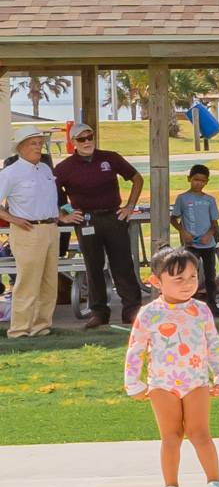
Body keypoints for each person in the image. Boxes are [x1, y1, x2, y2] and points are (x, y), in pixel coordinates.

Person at [124, 245, 219, 487]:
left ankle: (214, 481)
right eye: (178, 278)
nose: (187, 284)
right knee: (170, 437)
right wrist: (133, 383)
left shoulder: (202, 310)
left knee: (200, 433)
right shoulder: (149, 313)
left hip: (196, 382)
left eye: (192, 277)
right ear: (156, 282)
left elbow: (214, 344)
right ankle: (170, 485)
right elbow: (135, 348)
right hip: (162, 385)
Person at [52, 119, 145, 331]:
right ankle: (99, 313)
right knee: (93, 267)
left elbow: (137, 178)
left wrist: (130, 206)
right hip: (86, 220)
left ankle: (131, 309)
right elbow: (48, 192)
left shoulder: (110, 158)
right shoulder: (65, 167)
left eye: (90, 137)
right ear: (73, 142)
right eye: (81, 139)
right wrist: (62, 215)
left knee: (123, 264)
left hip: (114, 217)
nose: (87, 142)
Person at [4, 127, 59, 338]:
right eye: (32, 143)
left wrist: (59, 215)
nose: (38, 147)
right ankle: (19, 330)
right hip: (27, 231)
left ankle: (41, 327)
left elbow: (48, 200)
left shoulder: (45, 169)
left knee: (49, 282)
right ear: (20, 148)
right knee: (28, 282)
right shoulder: (11, 173)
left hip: (51, 229)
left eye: (39, 143)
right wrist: (14, 218)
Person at [171, 164, 219, 317]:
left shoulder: (209, 200)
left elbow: (214, 223)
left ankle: (212, 306)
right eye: (195, 179)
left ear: (207, 182)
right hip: (191, 244)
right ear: (189, 179)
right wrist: (182, 231)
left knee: (210, 276)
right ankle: (188, 306)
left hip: (208, 244)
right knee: (189, 275)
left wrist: (209, 234)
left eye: (202, 181)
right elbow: (173, 219)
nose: (198, 183)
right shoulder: (183, 198)